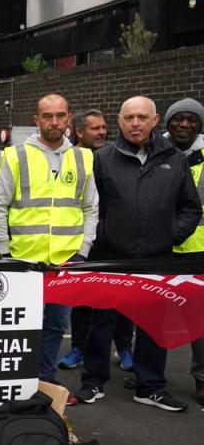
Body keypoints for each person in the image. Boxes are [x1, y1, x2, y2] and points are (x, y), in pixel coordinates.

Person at [75, 96, 201, 412]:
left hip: (155, 257)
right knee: (100, 324)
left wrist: (170, 236)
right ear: (119, 120)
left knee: (153, 324)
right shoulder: (102, 158)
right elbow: (90, 206)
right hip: (110, 255)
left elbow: (190, 207)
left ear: (155, 119)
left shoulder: (174, 158)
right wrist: (104, 234)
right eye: (129, 117)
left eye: (142, 117)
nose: (136, 123)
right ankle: (92, 383)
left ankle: (151, 387)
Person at [0, 94, 98, 386]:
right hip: (25, 260)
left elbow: (90, 207)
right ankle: (20, 382)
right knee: (23, 326)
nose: (54, 122)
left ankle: (45, 381)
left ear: (69, 118)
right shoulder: (16, 155)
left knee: (55, 325)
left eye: (60, 115)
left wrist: (83, 250)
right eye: (47, 116)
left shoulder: (83, 157)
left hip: (67, 260)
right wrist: (4, 251)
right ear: (36, 120)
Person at [59, 109, 132, 372]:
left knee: (120, 297)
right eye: (95, 128)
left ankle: (123, 347)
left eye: (103, 127)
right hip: (81, 241)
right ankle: (78, 347)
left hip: (114, 240)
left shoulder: (116, 157)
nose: (102, 132)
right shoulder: (70, 158)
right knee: (83, 300)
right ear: (79, 131)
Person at [161, 98, 204, 406]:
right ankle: (150, 374)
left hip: (198, 250)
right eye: (178, 119)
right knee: (153, 314)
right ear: (168, 123)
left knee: (199, 320)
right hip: (159, 248)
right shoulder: (155, 154)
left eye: (192, 119)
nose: (184, 124)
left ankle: (202, 378)